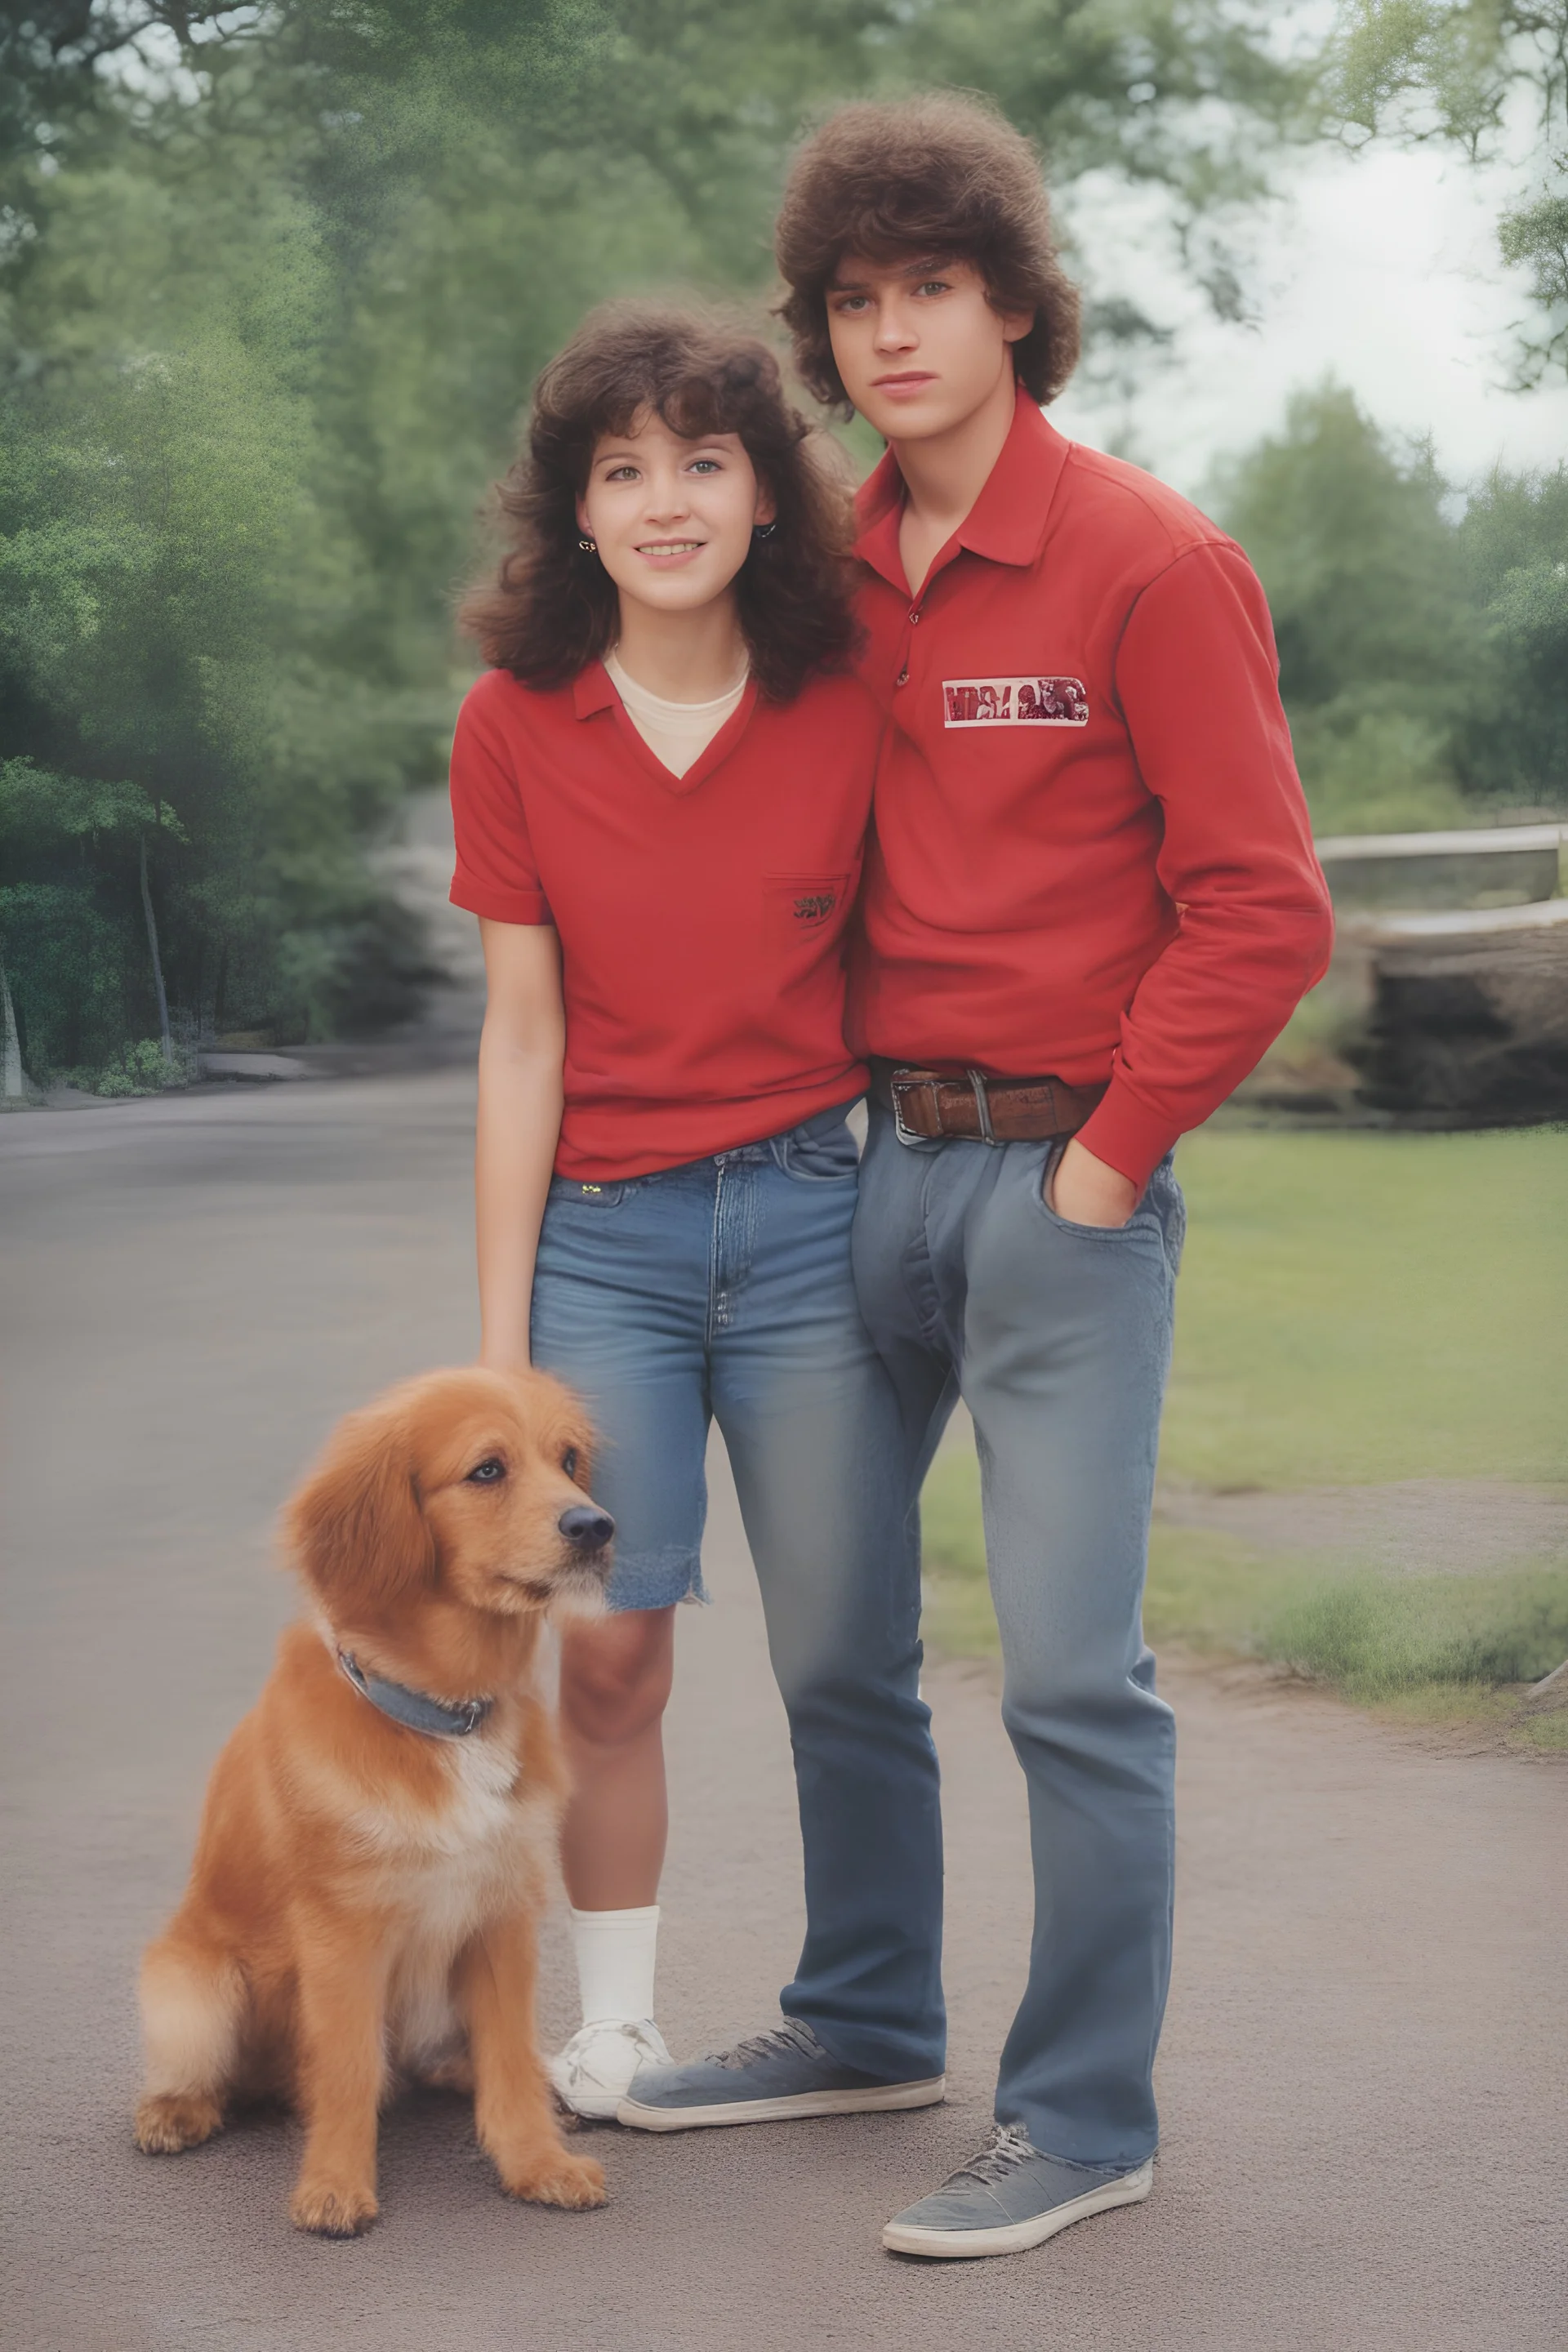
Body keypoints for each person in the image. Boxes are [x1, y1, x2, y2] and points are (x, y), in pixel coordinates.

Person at [621, 96, 1334, 2261]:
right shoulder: (818, 556)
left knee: (1066, 1677)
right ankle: (859, 2019)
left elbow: (1264, 909)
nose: (895, 328)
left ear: (1018, 300)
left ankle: (1085, 2113)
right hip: (865, 1175)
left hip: (1060, 1195)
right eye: (855, 298)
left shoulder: (1149, 560)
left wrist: (1112, 1167)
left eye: (934, 284)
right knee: (834, 1643)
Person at [448, 302, 946, 2124]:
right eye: (624, 471)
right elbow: (523, 1035)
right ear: (576, 512)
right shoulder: (512, 724)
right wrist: (500, 1352)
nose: (666, 502)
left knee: (847, 1646)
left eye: (705, 462)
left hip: (820, 1216)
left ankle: (881, 2024)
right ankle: (620, 2027)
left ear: (764, 494)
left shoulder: (848, 692)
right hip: (610, 1242)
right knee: (615, 1637)